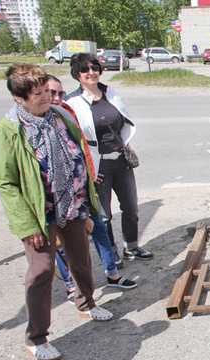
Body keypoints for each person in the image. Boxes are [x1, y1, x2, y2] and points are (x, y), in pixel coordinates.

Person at [0, 63, 114, 360]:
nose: (48, 97)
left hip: (72, 204)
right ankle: (37, 337)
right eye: (39, 94)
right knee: (42, 271)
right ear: (19, 97)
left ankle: (86, 305)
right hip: (39, 214)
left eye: (48, 91)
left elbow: (80, 155)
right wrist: (27, 225)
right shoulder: (9, 130)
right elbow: (6, 182)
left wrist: (86, 205)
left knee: (81, 258)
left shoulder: (59, 116)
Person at [47, 75, 137, 293]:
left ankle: (112, 274)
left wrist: (90, 169)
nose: (57, 98)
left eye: (60, 93)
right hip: (57, 197)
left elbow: (84, 145)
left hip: (81, 190)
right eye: (51, 93)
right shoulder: (38, 124)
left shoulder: (66, 116)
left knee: (99, 230)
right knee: (63, 243)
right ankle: (71, 286)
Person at [65, 53, 154, 266]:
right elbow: (72, 140)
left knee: (131, 208)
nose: (91, 73)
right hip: (98, 165)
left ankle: (131, 247)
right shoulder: (73, 101)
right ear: (77, 74)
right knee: (104, 216)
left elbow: (123, 121)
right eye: (85, 70)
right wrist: (87, 168)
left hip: (120, 160)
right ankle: (110, 253)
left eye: (94, 68)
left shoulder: (109, 92)